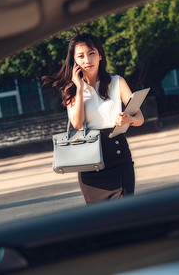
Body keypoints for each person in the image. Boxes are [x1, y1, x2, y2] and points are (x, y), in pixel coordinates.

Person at [43, 31, 144, 204]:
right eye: (81, 56)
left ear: (100, 56)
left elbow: (140, 117)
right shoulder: (71, 90)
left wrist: (129, 120)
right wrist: (80, 89)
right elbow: (77, 123)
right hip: (90, 162)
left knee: (124, 214)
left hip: (119, 158)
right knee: (103, 222)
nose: (87, 60)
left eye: (91, 54)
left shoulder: (117, 82)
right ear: (74, 61)